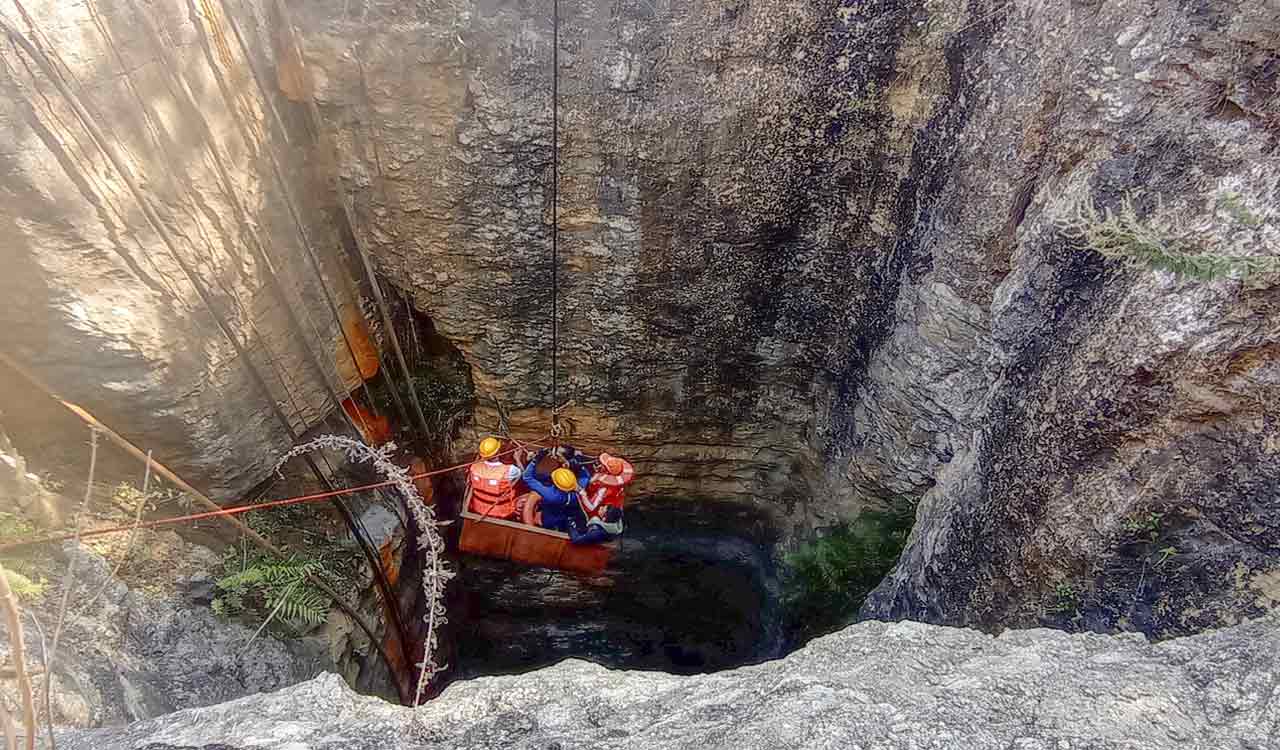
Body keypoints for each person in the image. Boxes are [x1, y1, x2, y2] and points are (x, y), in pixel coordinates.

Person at [522, 450, 590, 532]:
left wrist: (535, 460)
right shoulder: (577, 494)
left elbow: (527, 477)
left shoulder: (550, 494)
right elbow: (585, 477)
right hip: (565, 522)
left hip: (547, 522)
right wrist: (579, 464)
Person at [467, 437, 522, 519]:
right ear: (498, 451)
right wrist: (517, 459)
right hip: (502, 514)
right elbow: (524, 475)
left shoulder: (474, 467)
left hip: (477, 509)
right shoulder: (510, 470)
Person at [579, 452, 634, 526]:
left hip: (599, 511)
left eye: (603, 465)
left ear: (607, 471)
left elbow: (591, 507)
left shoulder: (604, 489)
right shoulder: (621, 483)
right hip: (612, 506)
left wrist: (583, 495)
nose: (600, 465)